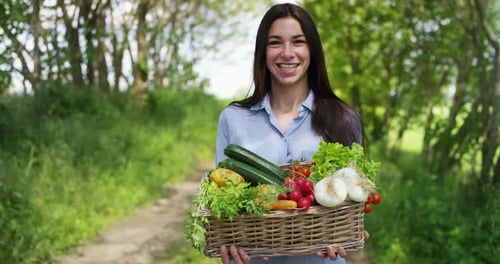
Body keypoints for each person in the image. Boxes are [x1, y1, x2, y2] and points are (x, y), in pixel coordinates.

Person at [215, 3, 368, 264]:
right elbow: (222, 199)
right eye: (275, 42)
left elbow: (354, 200)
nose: (287, 53)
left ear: (312, 51)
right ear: (263, 52)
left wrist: (347, 233)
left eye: (298, 42)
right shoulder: (233, 119)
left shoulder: (344, 118)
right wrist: (227, 241)